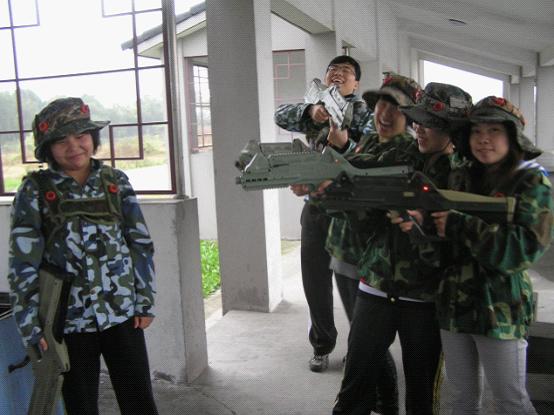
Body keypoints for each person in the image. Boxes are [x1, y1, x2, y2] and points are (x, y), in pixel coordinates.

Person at [7, 97, 159, 415]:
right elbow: (23, 263)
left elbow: (140, 244)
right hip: (69, 323)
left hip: (121, 314)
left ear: (93, 138)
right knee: (81, 406)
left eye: (81, 136)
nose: (74, 146)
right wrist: (30, 325)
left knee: (139, 402)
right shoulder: (35, 190)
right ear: (47, 148)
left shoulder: (115, 182)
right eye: (61, 140)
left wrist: (144, 301)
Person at [331, 81, 473, 415]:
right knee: (353, 389)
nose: (418, 128)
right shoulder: (399, 155)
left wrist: (424, 227)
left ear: (452, 129)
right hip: (376, 285)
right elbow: (360, 211)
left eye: (429, 123)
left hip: (425, 299)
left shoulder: (465, 176)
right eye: (417, 120)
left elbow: (461, 248)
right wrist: (330, 191)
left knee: (421, 396)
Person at [427, 97, 553, 414]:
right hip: (454, 304)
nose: (484, 139)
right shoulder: (460, 177)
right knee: (460, 399)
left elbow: (520, 251)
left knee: (510, 401)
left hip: (500, 310)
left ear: (513, 136)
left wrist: (459, 225)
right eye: (477, 131)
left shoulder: (531, 181)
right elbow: (442, 246)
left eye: (494, 130)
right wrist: (422, 224)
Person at [274, 55, 372, 372]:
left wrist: (344, 139)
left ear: (356, 83)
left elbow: (371, 156)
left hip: (350, 214)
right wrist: (310, 111)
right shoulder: (316, 111)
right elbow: (280, 115)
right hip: (316, 209)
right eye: (333, 70)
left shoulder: (365, 113)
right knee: (315, 284)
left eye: (346, 71)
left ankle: (360, 349)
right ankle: (321, 345)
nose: (338, 74)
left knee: (353, 287)